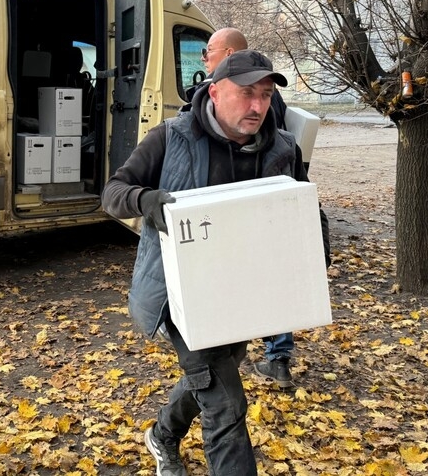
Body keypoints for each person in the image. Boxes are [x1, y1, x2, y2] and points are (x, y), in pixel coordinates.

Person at [102, 49, 330, 476]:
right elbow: (113, 192)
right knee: (226, 404)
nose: (258, 106)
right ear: (214, 91)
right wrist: (144, 200)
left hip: (244, 295)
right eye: (247, 93)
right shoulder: (171, 136)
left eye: (265, 95)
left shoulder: (283, 147)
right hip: (179, 296)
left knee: (211, 377)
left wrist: (317, 247)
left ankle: (163, 436)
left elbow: (303, 205)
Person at [187, 28, 298, 390]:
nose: (205, 58)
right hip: (234, 228)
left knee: (271, 276)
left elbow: (280, 156)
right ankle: (274, 355)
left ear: (229, 52)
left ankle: (275, 354)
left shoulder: (261, 104)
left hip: (255, 217)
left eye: (209, 51)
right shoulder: (183, 127)